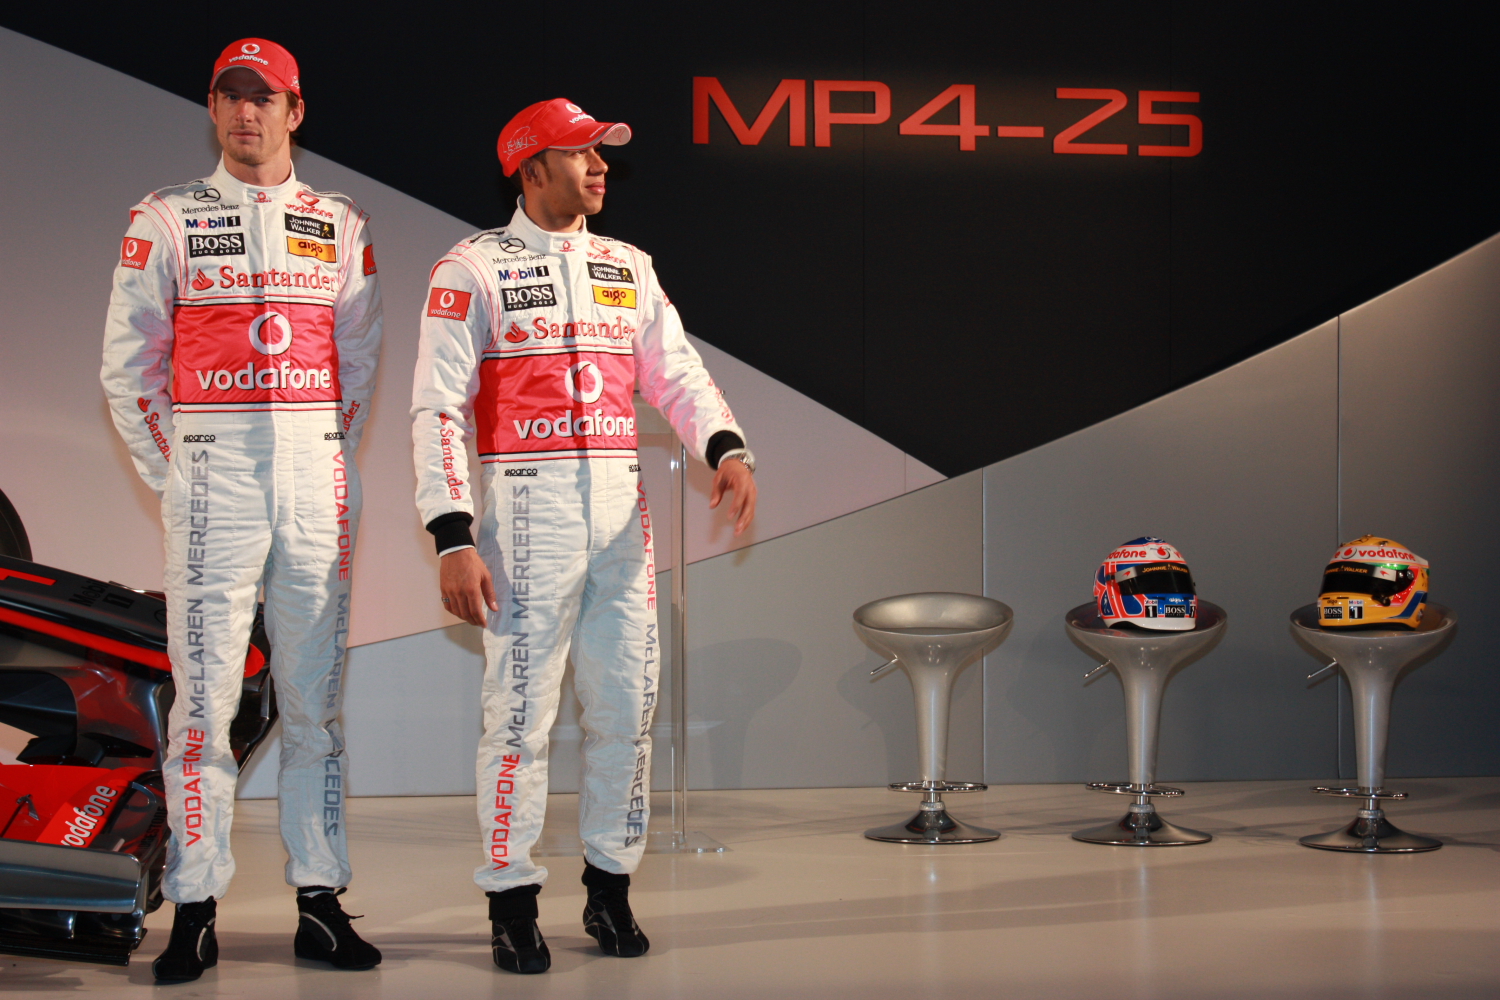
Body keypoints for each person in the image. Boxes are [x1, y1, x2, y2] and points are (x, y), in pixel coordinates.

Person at [411, 98, 758, 974]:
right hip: (524, 516)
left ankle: (610, 887)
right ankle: (511, 901)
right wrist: (451, 533)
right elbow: (437, 408)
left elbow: (676, 371)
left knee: (625, 713)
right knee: (518, 721)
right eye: (582, 153)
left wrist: (725, 446)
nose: (601, 166)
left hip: (622, 518)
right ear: (532, 168)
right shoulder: (470, 269)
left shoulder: (627, 266)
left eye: (602, 152)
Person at [100, 38, 383, 983]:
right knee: (205, 708)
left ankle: (320, 903)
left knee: (313, 707)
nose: (244, 112)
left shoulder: (337, 222)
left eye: (263, 97)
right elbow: (129, 366)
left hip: (314, 482)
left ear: (295, 111)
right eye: (229, 96)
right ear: (212, 108)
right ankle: (195, 908)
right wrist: (180, 471)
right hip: (212, 481)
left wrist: (320, 450)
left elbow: (357, 358)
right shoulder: (167, 218)